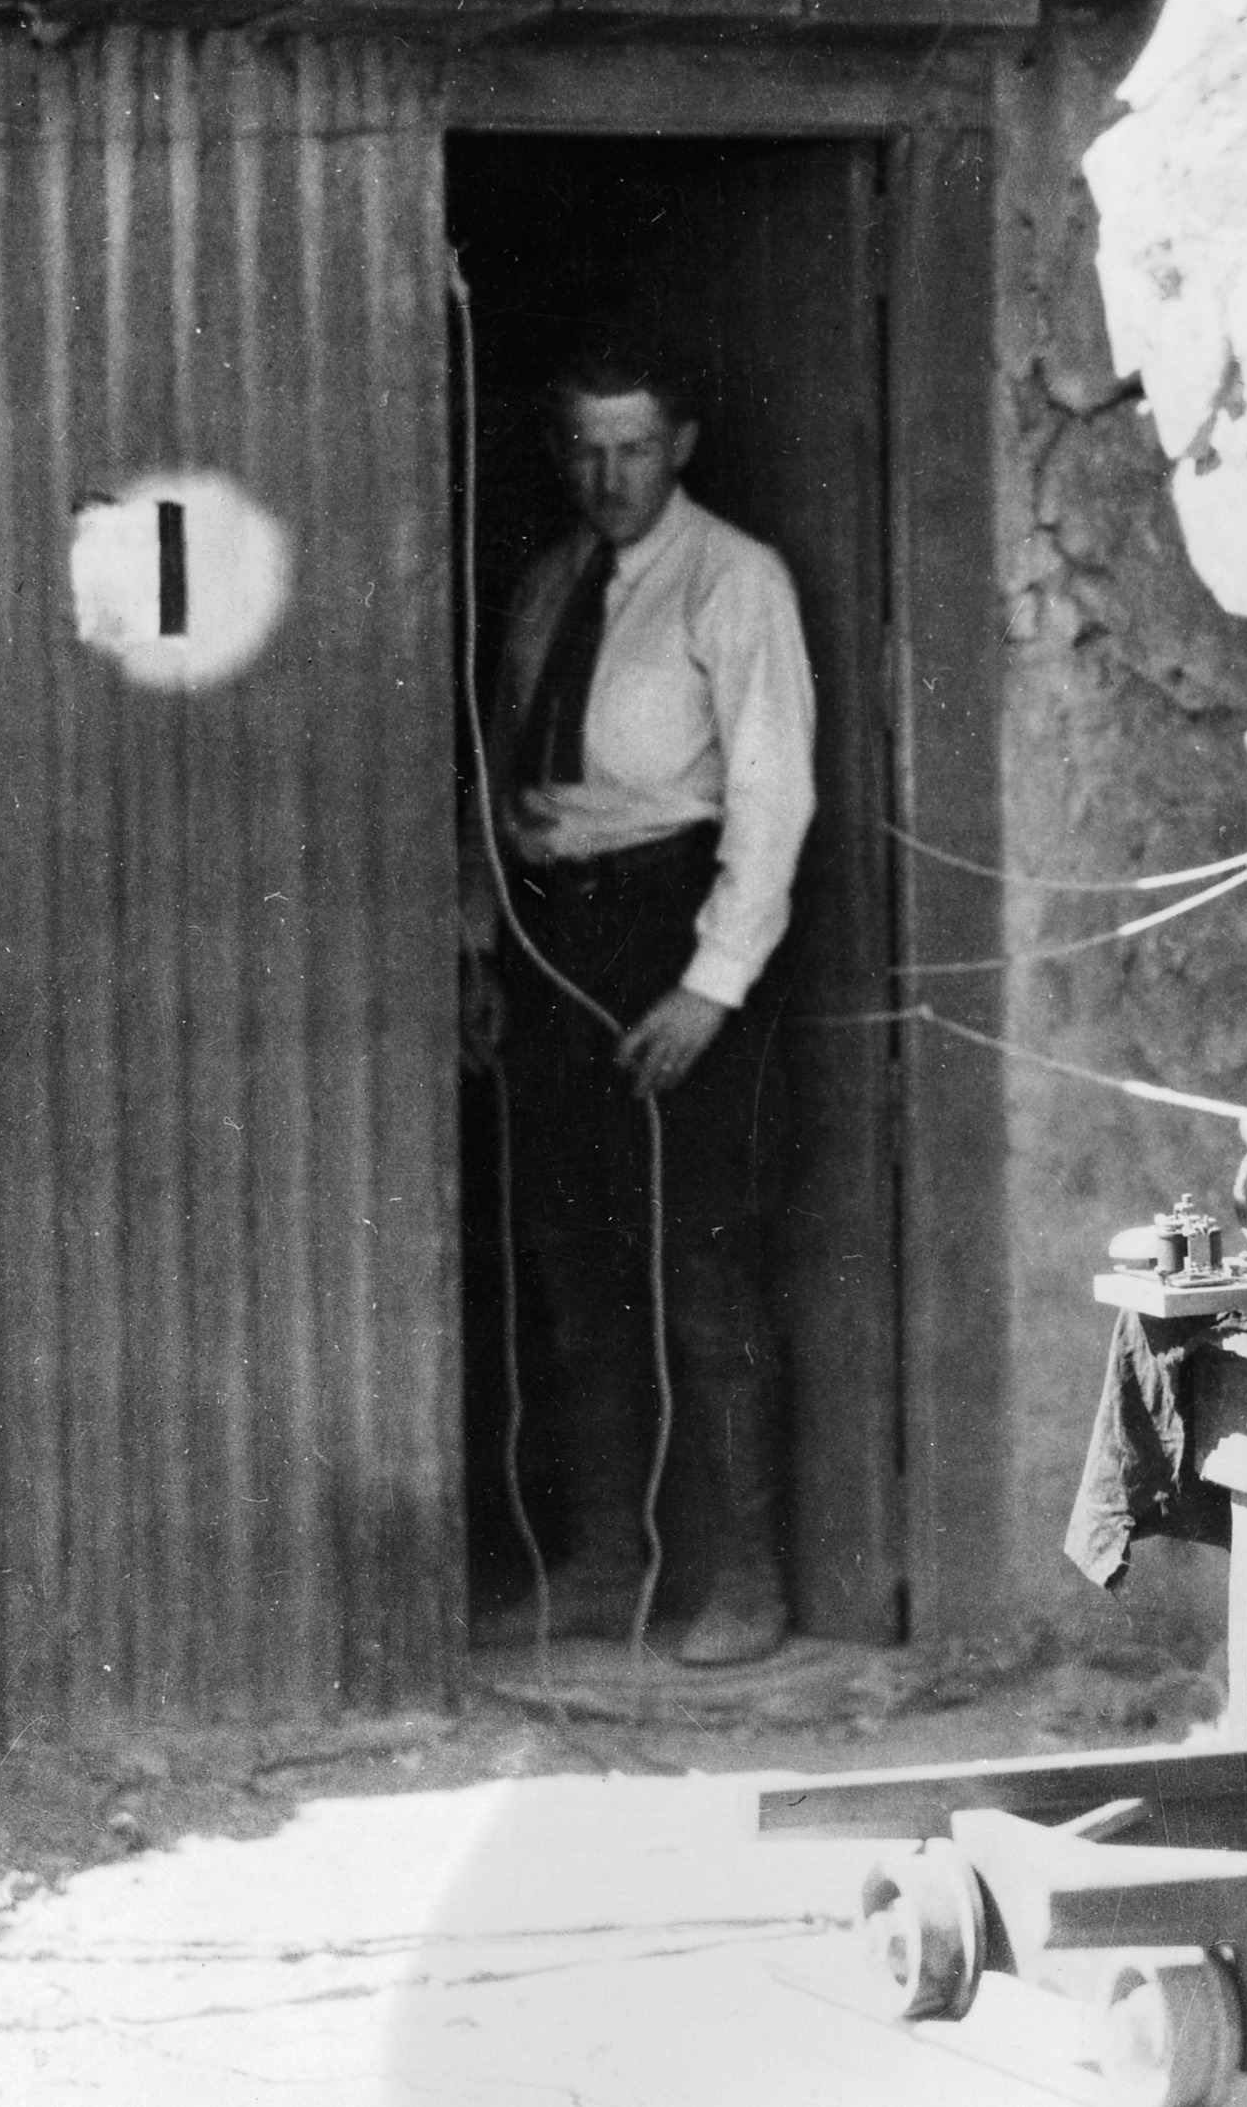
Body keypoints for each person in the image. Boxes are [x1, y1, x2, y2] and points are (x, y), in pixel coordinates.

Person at [462, 339, 816, 1668]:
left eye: (634, 449)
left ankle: (748, 1580)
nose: (609, 478)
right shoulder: (552, 581)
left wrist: (708, 987)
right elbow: (502, 771)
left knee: (702, 1268)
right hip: (553, 933)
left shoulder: (735, 579)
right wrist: (479, 943)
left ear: (681, 447)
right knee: (574, 1263)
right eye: (587, 450)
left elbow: (774, 791)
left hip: (676, 928)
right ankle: (611, 1560)